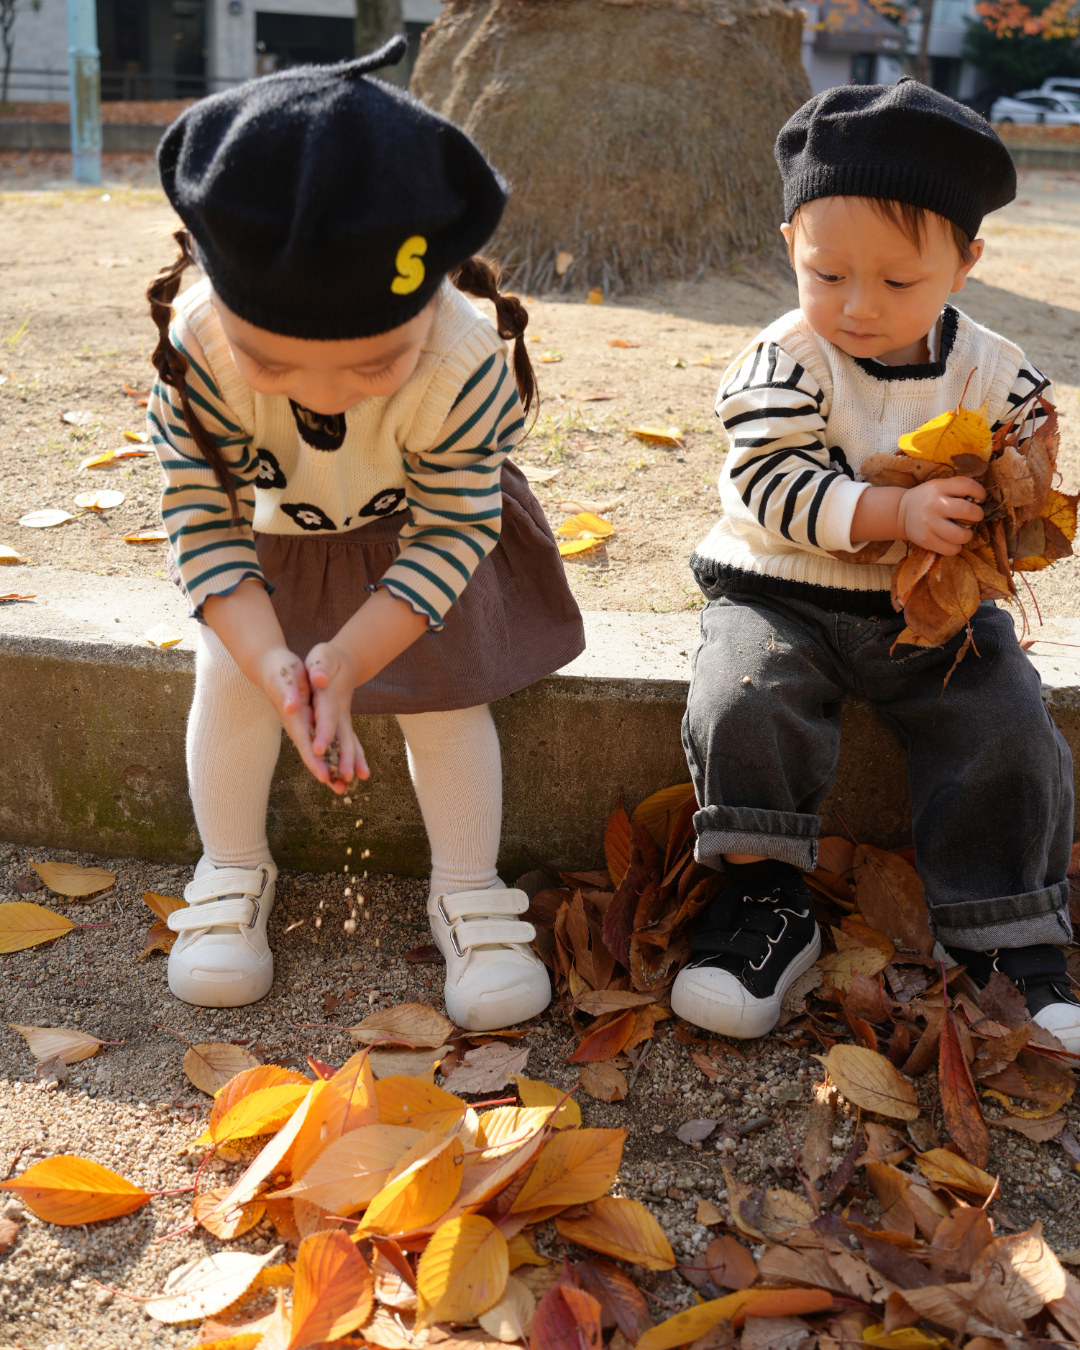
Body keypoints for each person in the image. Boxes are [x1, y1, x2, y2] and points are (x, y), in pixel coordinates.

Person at [146, 38, 584, 1031]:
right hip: (268, 546)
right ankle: (230, 872)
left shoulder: (466, 357)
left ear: (430, 298)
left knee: (444, 697)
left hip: (415, 542)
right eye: (276, 361)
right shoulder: (196, 346)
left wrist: (347, 659)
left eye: (374, 365)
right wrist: (275, 662)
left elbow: (453, 526)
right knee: (229, 681)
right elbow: (200, 517)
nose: (323, 394)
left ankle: (469, 890)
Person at [672, 78, 1080, 1049]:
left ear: (965, 263)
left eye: (898, 283)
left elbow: (1031, 424)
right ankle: (765, 903)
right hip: (782, 595)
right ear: (789, 250)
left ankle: (1002, 934)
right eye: (826, 274)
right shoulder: (781, 361)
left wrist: (1024, 474)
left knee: (1006, 721)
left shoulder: (986, 362)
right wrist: (891, 507)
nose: (857, 308)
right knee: (741, 696)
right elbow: (770, 484)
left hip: (932, 615)